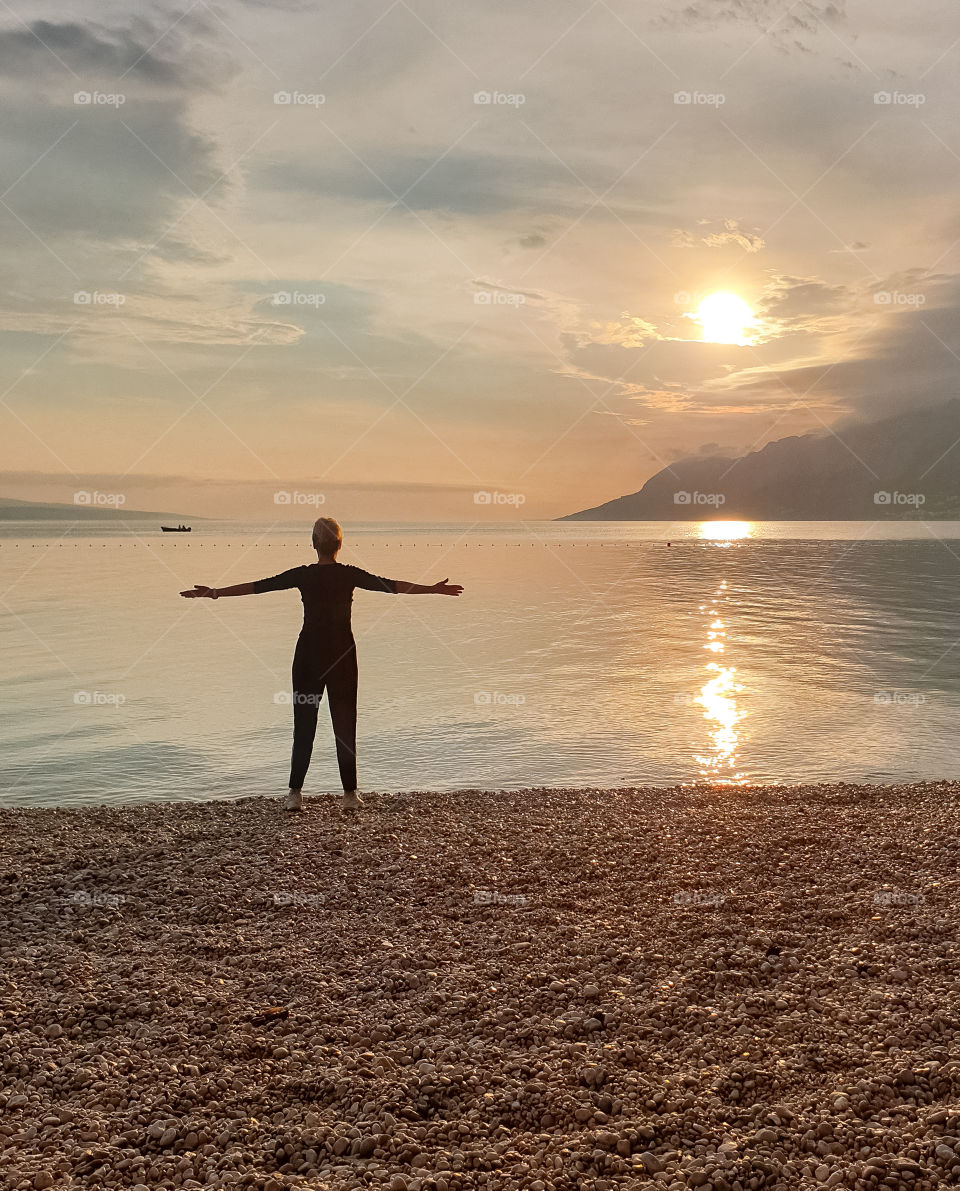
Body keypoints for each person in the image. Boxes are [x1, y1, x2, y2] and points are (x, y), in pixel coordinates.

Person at [180, 517, 462, 811]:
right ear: (340, 545)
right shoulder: (348, 574)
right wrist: (432, 589)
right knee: (344, 723)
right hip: (341, 655)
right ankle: (350, 795)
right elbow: (391, 586)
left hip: (308, 657)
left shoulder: (303, 574)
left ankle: (295, 794)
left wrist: (214, 592)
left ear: (314, 543)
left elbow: (259, 587)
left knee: (304, 722)